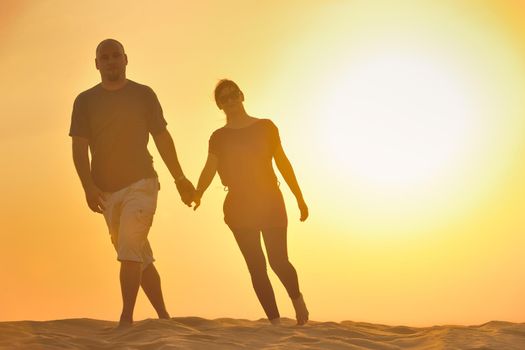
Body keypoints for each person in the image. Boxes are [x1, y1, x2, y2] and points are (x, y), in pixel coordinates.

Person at [69, 39, 195, 327]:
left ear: (126, 59)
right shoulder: (85, 101)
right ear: (96, 63)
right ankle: (164, 317)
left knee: (128, 247)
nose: (111, 61)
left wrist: (179, 177)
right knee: (138, 254)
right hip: (106, 192)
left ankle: (126, 319)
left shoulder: (144, 95)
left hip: (142, 183)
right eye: (105, 56)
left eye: (116, 56)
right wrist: (87, 186)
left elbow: (162, 137)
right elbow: (79, 146)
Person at [193, 79, 309, 325]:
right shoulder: (218, 137)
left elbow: (282, 162)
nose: (231, 101)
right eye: (224, 98)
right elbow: (209, 168)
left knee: (278, 261)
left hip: (269, 200)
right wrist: (198, 192)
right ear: (219, 105)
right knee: (256, 266)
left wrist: (299, 197)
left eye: (233, 94)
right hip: (239, 205)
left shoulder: (266, 127)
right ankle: (275, 322)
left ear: (242, 95)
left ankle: (298, 302)